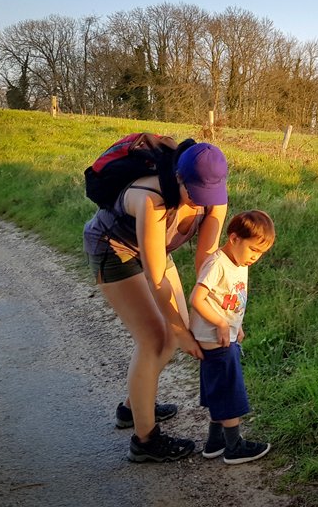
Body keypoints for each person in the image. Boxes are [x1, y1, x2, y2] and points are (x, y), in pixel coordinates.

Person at [83, 141, 229, 462]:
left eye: (209, 195)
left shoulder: (214, 195)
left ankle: (134, 407)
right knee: (155, 339)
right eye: (195, 193)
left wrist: (214, 312)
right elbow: (156, 278)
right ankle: (145, 441)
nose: (202, 201)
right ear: (179, 178)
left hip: (155, 251)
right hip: (113, 248)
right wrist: (179, 331)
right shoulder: (152, 199)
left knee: (173, 335)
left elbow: (206, 259)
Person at [188, 210, 275, 464]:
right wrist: (221, 323)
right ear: (234, 238)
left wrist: (237, 325)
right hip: (216, 339)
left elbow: (231, 301)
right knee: (229, 391)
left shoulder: (239, 262)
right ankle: (234, 446)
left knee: (219, 389)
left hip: (225, 336)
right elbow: (197, 299)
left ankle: (215, 442)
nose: (255, 257)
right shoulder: (218, 263)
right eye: (253, 250)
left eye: (261, 253)